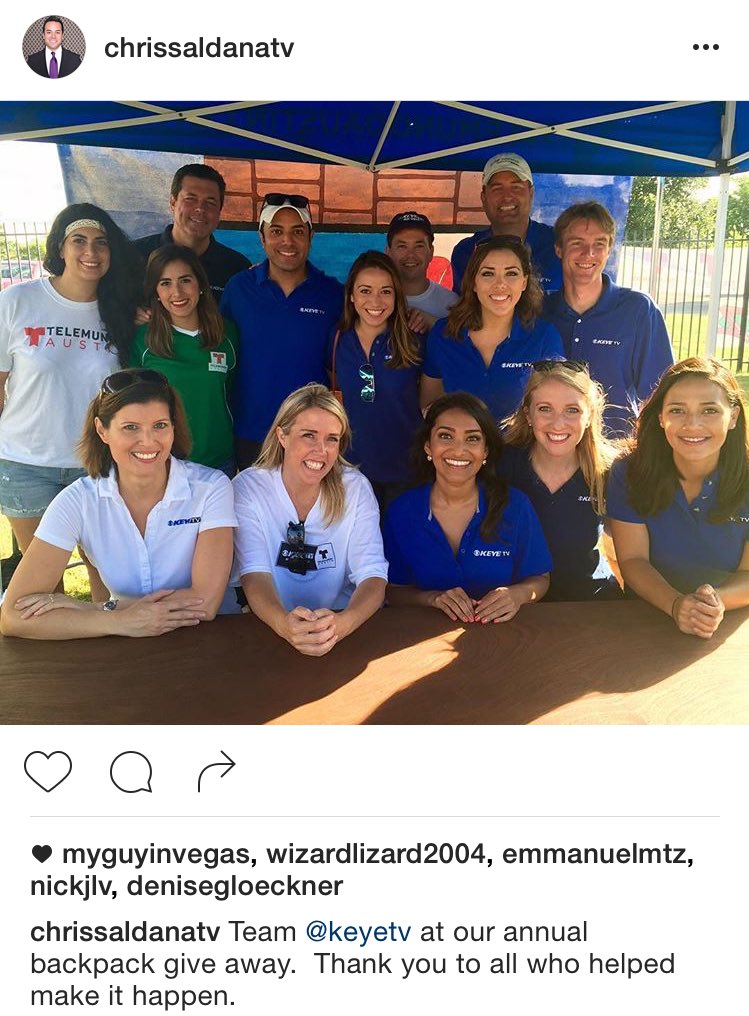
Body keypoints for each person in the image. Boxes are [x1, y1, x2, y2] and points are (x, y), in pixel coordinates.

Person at [0, 369, 236, 639]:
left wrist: (99, 609)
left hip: (209, 639)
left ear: (174, 427)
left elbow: (204, 604)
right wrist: (120, 621)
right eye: (130, 427)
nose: (148, 441)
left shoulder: (211, 488)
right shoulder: (78, 500)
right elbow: (12, 616)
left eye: (160, 425)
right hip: (127, 645)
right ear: (102, 430)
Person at [0, 203, 142, 562]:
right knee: (43, 580)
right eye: (79, 240)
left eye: (101, 242)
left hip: (96, 463)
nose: (90, 251)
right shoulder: (17, 301)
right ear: (60, 248)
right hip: (27, 464)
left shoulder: (122, 312)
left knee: (105, 572)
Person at [233, 384, 388, 656]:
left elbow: (373, 575)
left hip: (341, 624)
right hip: (272, 626)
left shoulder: (355, 488)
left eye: (332, 439)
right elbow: (254, 574)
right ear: (282, 435)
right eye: (309, 436)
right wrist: (283, 624)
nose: (321, 450)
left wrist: (343, 624)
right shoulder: (249, 487)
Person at [607, 358, 749, 638]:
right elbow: (633, 560)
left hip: (728, 626)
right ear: (661, 417)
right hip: (646, 617)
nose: (692, 424)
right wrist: (675, 605)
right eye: (677, 410)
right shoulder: (629, 472)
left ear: (733, 417)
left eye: (709, 410)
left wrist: (711, 604)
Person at [384, 392, 551, 623]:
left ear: (486, 451)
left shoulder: (515, 505)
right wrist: (432, 599)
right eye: (445, 436)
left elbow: (540, 578)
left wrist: (517, 595)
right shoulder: (402, 512)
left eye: (472, 438)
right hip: (423, 639)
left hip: (503, 636)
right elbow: (393, 591)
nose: (458, 450)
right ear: (428, 447)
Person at [221, 194, 343, 470]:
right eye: (276, 231)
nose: (287, 241)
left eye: (297, 232)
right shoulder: (238, 289)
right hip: (251, 433)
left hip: (311, 436)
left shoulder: (333, 294)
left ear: (310, 237)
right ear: (262, 238)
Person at [544, 201, 674, 437]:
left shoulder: (639, 310)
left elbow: (661, 394)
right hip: (552, 446)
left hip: (616, 449)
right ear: (559, 249)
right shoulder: (540, 310)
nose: (589, 253)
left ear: (609, 249)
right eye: (577, 243)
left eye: (599, 244)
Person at [501, 360, 622, 600]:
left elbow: (630, 552)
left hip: (587, 602)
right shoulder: (501, 465)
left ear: (590, 415)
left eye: (572, 410)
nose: (558, 423)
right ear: (528, 414)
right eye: (545, 409)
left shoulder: (608, 473)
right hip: (512, 604)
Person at [420, 235, 564, 422]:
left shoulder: (544, 337)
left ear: (524, 282)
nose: (500, 284)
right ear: (473, 282)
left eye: (511, 274)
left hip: (522, 442)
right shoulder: (444, 334)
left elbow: (555, 408)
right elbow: (429, 403)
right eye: (488, 274)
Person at [131, 244, 237, 473]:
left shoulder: (227, 334)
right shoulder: (142, 340)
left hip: (218, 462)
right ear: (156, 292)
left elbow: (232, 392)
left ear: (200, 284)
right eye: (165, 283)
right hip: (164, 464)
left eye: (185, 280)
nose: (177, 292)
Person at [329, 251, 423, 511]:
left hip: (406, 469)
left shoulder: (414, 340)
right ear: (351, 295)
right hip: (352, 468)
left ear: (396, 296)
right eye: (365, 291)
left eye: (386, 291)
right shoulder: (337, 339)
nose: (375, 301)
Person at [450, 153, 562, 295]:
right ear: (483, 197)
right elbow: (464, 307)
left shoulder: (560, 245)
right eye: (497, 189)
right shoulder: (465, 252)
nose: (507, 196)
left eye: (516, 187)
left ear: (531, 193)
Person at [135, 164, 250, 300]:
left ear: (220, 210)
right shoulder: (132, 256)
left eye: (210, 202)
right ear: (173, 203)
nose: (200, 208)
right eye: (190, 199)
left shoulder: (238, 269)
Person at [384, 211, 456, 326]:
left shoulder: (452, 304)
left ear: (431, 252)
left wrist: (434, 324)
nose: (410, 255)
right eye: (402, 246)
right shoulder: (375, 301)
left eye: (418, 246)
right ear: (388, 252)